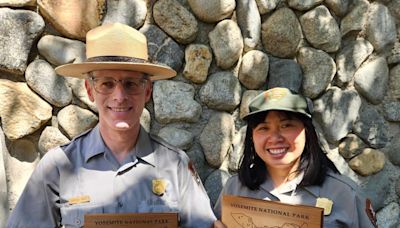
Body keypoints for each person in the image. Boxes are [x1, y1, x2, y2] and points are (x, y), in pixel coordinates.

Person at [7, 23, 216, 228]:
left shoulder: (175, 165)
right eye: (107, 83)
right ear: (90, 90)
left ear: (148, 91)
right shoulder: (58, 166)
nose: (119, 96)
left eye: (130, 84)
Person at [213, 87, 377, 228]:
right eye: (264, 128)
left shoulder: (345, 194)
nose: (275, 137)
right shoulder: (234, 188)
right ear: (252, 137)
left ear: (307, 132)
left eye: (286, 125)